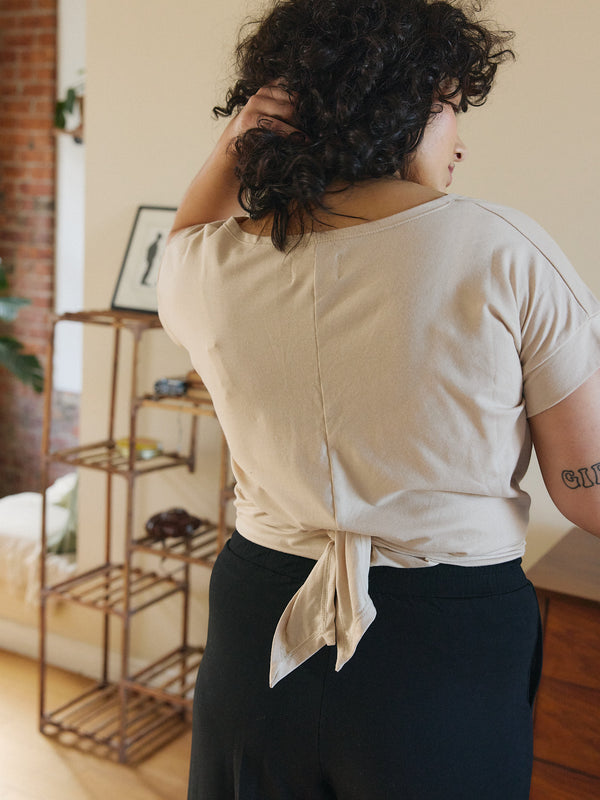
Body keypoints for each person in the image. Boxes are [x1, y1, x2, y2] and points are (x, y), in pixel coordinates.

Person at [157, 0, 600, 797]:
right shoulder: (506, 250)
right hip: (444, 630)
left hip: (258, 610)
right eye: (450, 107)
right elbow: (588, 493)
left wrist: (237, 142)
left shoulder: (207, 267)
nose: (460, 140)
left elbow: (186, 231)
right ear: (397, 107)